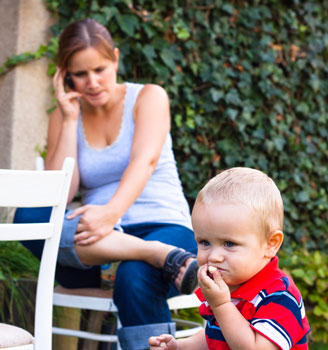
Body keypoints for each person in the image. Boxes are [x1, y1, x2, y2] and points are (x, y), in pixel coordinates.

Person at [13, 18, 198, 349]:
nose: (92, 82)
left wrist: (110, 213)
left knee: (134, 277)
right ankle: (155, 255)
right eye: (80, 73)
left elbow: (145, 162)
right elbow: (61, 193)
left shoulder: (149, 97)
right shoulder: (65, 113)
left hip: (163, 227)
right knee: (29, 217)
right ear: (65, 74)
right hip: (97, 248)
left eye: (99, 69)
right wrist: (69, 119)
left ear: (114, 58)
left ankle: (149, 257)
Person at [149, 167, 310, 350]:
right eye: (204, 242)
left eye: (229, 244)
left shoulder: (279, 295)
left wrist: (221, 305)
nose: (214, 256)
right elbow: (217, 334)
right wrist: (180, 347)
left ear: (270, 244)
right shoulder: (229, 286)